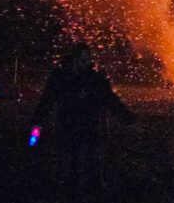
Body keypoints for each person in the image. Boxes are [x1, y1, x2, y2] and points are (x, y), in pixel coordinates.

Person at [31, 42, 134, 197]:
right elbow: (47, 100)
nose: (87, 63)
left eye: (88, 60)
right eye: (83, 60)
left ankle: (91, 193)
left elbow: (110, 100)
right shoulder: (60, 77)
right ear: (74, 59)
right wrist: (37, 121)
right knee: (69, 165)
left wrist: (128, 119)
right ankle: (70, 193)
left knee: (91, 164)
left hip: (88, 128)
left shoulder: (93, 79)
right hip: (67, 127)